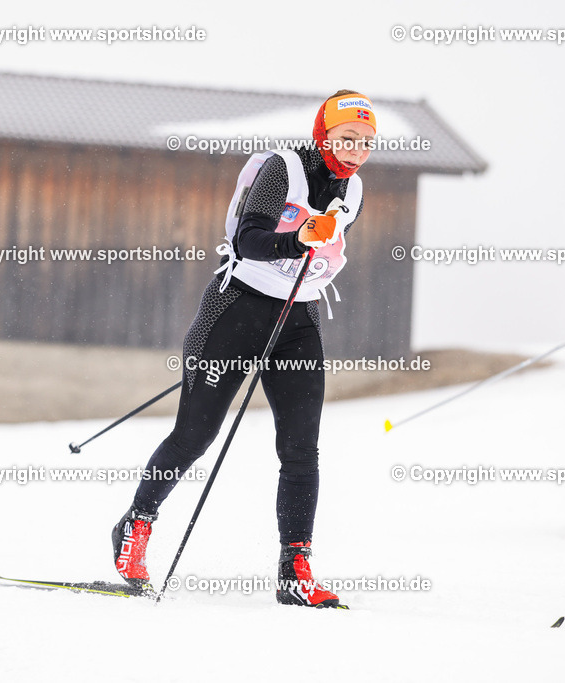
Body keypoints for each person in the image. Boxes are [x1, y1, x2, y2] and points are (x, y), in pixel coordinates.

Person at [111, 90, 375, 607]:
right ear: (324, 133)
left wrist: (311, 244)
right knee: (195, 435)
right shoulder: (284, 168)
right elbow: (247, 240)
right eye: (347, 139)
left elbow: (324, 252)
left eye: (366, 142)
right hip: (236, 307)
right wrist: (298, 237)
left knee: (301, 446)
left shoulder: (356, 189)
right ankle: (135, 525)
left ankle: (294, 568)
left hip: (297, 316)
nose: (356, 151)